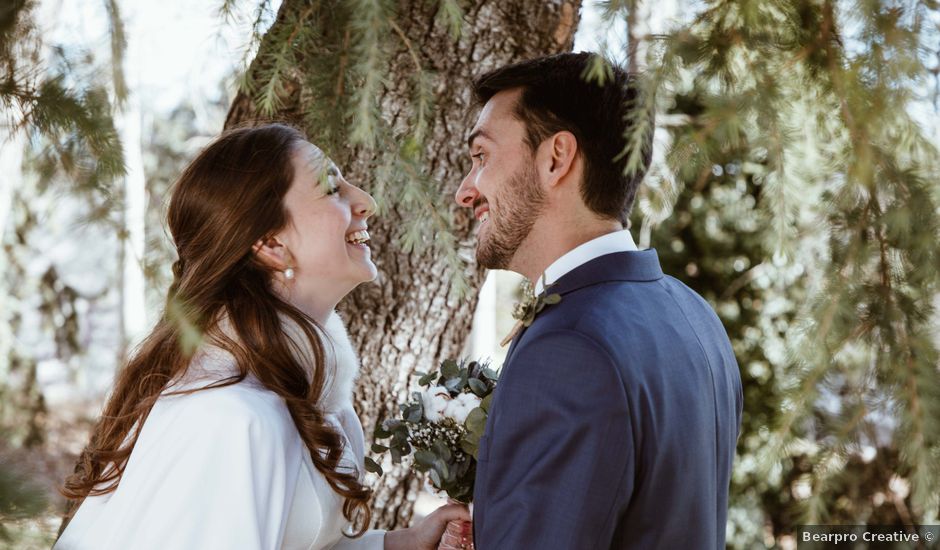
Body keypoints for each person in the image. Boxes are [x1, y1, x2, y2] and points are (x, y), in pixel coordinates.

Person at [55, 123, 468, 550]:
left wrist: (397, 545)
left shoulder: (308, 400)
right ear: (271, 243)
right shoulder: (231, 419)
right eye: (332, 189)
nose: (366, 201)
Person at [454, 52, 743, 549]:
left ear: (556, 158)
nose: (465, 191)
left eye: (481, 157)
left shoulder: (570, 347)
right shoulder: (695, 315)